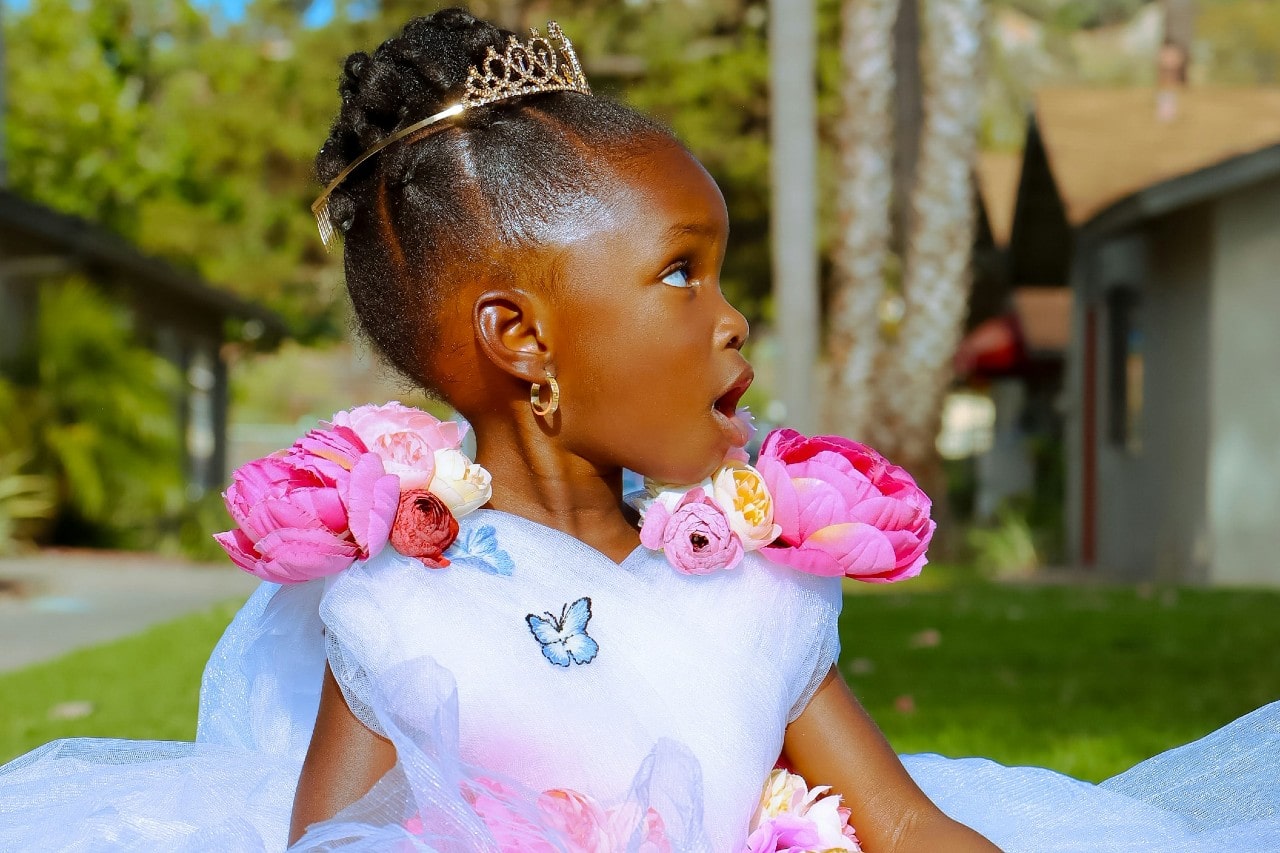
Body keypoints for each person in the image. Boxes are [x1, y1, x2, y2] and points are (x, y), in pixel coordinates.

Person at [1, 10, 1277, 852]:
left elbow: (898, 821)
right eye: (680, 275)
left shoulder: (751, 585)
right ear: (522, 341)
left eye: (721, 280)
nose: (730, 323)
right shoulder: (403, 607)